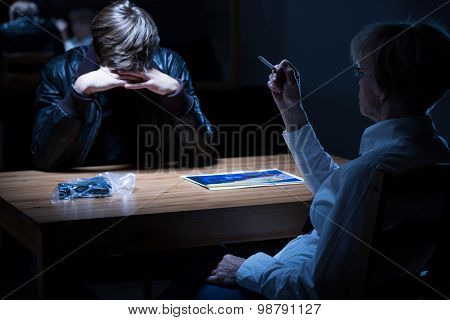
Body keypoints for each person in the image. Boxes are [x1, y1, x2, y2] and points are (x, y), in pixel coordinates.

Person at [200, 21, 450, 299]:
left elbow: (324, 290)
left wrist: (248, 268)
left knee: (192, 279)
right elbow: (342, 197)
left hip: (300, 295)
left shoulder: (369, 172)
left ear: (383, 88)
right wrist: (291, 109)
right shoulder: (436, 155)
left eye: (361, 72)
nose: (358, 81)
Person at [32, 0, 214, 169]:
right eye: (119, 65)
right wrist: (77, 94)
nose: (128, 72)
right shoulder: (59, 71)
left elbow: (204, 153)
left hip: (156, 181)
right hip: (83, 185)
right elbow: (43, 159)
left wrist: (177, 95)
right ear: (99, 48)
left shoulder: (169, 64)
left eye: (137, 63)